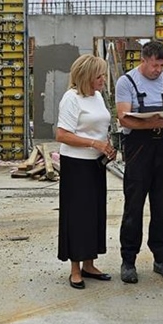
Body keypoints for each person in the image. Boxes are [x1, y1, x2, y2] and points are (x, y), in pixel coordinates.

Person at [115, 40, 163, 284]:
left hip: (162, 148)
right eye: (154, 65)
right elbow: (125, 118)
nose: (158, 70)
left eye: (161, 64)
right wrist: (154, 123)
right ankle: (128, 260)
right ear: (143, 60)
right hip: (137, 149)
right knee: (133, 207)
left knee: (162, 206)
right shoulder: (126, 82)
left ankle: (161, 259)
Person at [55, 54, 117, 290]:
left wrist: (107, 144)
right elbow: (62, 135)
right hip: (76, 165)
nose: (103, 79)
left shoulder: (98, 96)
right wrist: (95, 144)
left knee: (94, 214)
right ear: (86, 77)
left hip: (96, 164)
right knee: (77, 216)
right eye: (99, 75)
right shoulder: (71, 98)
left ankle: (89, 264)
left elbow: (100, 126)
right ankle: (75, 269)